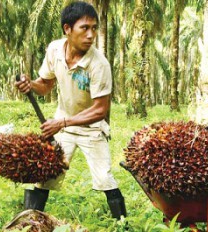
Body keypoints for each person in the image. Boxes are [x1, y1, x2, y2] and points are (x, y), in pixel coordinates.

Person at [15, 1, 126, 220]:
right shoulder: (55, 50)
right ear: (68, 29)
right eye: (84, 28)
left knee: (104, 178)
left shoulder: (99, 64)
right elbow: (45, 84)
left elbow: (100, 110)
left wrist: (62, 123)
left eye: (94, 28)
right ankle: (29, 222)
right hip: (63, 125)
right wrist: (31, 84)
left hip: (91, 128)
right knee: (44, 175)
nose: (91, 34)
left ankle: (122, 224)